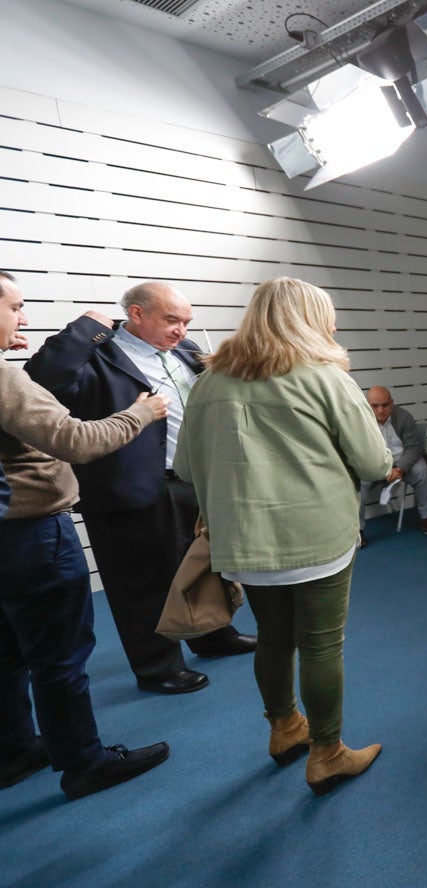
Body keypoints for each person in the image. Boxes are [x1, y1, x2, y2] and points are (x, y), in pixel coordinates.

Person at [174, 277, 391, 795]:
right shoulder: (324, 377)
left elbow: (184, 467)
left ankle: (283, 728)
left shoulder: (208, 381)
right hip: (314, 535)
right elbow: (375, 462)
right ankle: (328, 753)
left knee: (273, 638)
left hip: (244, 541)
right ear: (309, 319)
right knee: (320, 645)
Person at [25, 282, 256, 695]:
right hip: (127, 487)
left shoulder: (186, 353)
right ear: (136, 314)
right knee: (142, 581)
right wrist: (86, 328)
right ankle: (157, 666)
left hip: (194, 479)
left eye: (186, 321)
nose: (180, 330)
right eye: (171, 319)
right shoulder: (98, 353)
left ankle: (212, 635)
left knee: (205, 566)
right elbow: (43, 379)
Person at [0, 270, 172, 799]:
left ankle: (16, 749)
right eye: (16, 307)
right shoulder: (4, 379)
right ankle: (84, 762)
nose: (24, 318)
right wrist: (141, 413)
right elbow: (75, 438)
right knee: (61, 654)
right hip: (34, 535)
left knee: (7, 653)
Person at [360, 386, 427, 542]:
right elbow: (359, 453)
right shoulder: (359, 422)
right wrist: (378, 468)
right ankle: (358, 531)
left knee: (421, 471)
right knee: (358, 484)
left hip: (403, 460)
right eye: (375, 406)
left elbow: (413, 448)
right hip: (374, 463)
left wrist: (400, 469)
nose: (381, 410)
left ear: (392, 403)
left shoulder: (404, 417)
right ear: (366, 405)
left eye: (385, 405)